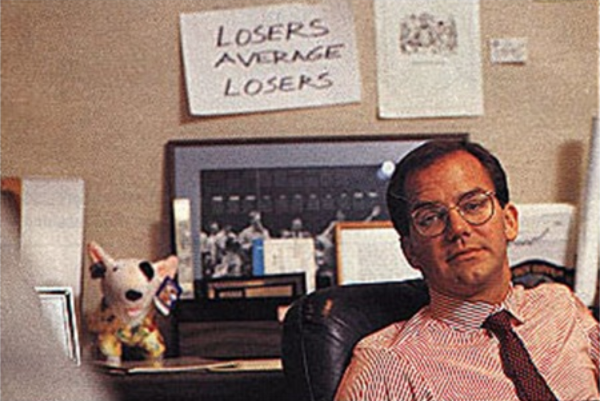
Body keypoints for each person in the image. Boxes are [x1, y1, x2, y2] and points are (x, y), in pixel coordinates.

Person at [335, 140, 599, 401]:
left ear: (509, 222)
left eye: (473, 205)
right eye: (430, 218)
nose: (458, 228)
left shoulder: (561, 306)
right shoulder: (386, 365)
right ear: (410, 251)